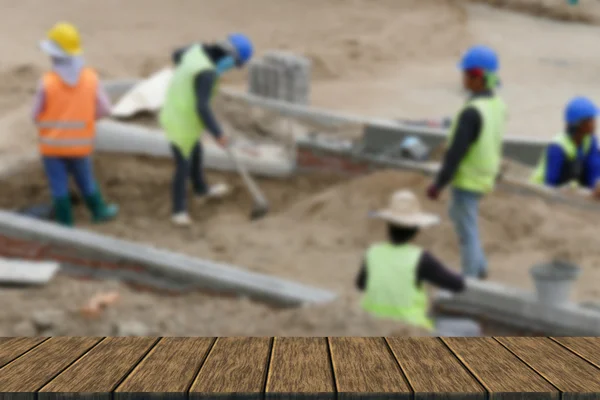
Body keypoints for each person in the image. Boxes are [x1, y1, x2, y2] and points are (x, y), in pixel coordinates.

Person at [426, 45, 506, 279]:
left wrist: (438, 184)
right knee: (464, 219)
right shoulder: (498, 105)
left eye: (465, 74)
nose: (462, 79)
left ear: (477, 78)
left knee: (466, 231)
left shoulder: (471, 112)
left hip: (468, 179)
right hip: (485, 176)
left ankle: (471, 282)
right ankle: (479, 269)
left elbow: (455, 154)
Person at [160, 34, 254, 226]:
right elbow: (202, 107)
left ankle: (201, 189)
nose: (231, 68)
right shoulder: (207, 72)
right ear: (229, 56)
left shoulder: (196, 50)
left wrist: (185, 78)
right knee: (183, 165)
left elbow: (177, 55)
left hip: (176, 109)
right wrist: (218, 134)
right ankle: (178, 211)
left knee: (197, 152)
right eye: (235, 63)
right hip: (182, 120)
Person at [32, 22, 118, 227]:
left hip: (51, 146)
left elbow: (35, 115)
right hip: (80, 146)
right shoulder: (91, 78)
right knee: (86, 180)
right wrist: (87, 117)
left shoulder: (46, 82)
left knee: (58, 186)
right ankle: (99, 211)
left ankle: (65, 224)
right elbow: (105, 109)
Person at [356, 190, 466, 332]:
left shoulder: (373, 252)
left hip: (371, 324)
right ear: (416, 230)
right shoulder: (421, 259)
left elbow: (361, 285)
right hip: (409, 328)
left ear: (388, 225)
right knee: (470, 328)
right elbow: (457, 285)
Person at [530, 96, 600, 190]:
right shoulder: (557, 147)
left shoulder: (590, 142)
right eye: (590, 120)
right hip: (538, 190)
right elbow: (550, 182)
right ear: (579, 124)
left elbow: (594, 172)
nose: (594, 124)